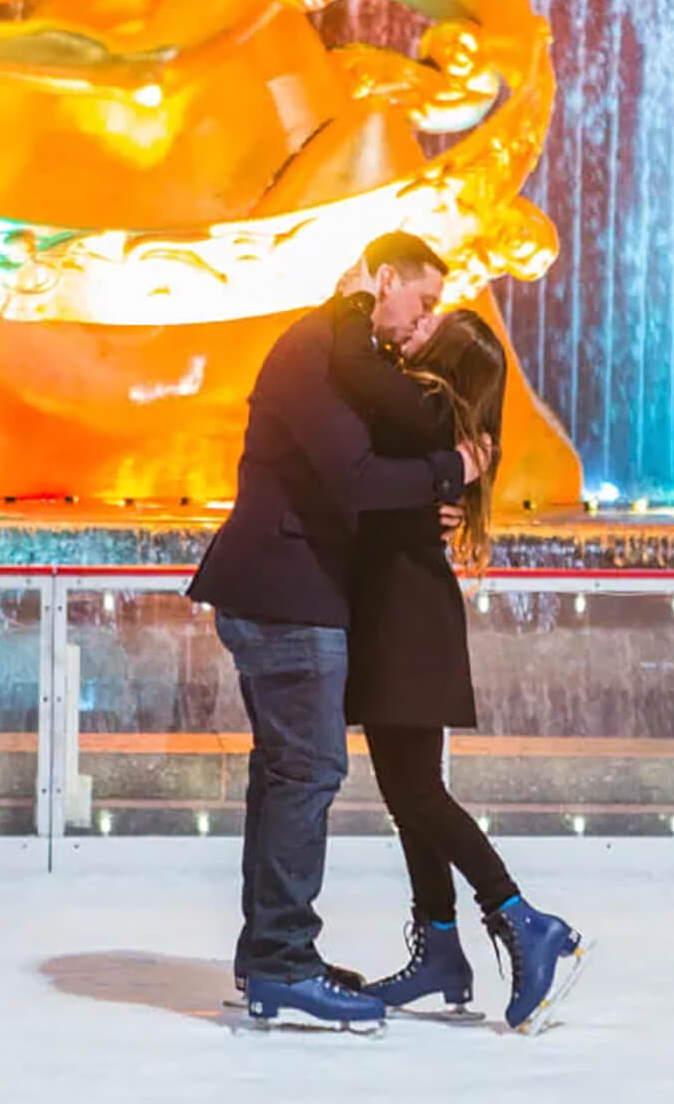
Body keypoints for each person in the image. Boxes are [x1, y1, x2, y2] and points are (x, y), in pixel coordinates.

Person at [186, 232, 491, 1030]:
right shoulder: (319, 346)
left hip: (295, 588)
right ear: (386, 279)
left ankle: (272, 953)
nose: (418, 322)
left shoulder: (339, 345)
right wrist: (448, 472)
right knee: (310, 771)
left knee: (287, 772)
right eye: (421, 302)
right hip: (287, 591)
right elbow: (354, 479)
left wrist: (433, 502)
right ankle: (283, 959)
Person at [327, 300, 586, 1034]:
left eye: (424, 332)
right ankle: (440, 945)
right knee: (411, 794)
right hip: (405, 620)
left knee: (416, 792)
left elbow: (365, 470)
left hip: (407, 623)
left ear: (445, 370)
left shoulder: (427, 418)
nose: (411, 333)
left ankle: (520, 917)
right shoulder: (444, 435)